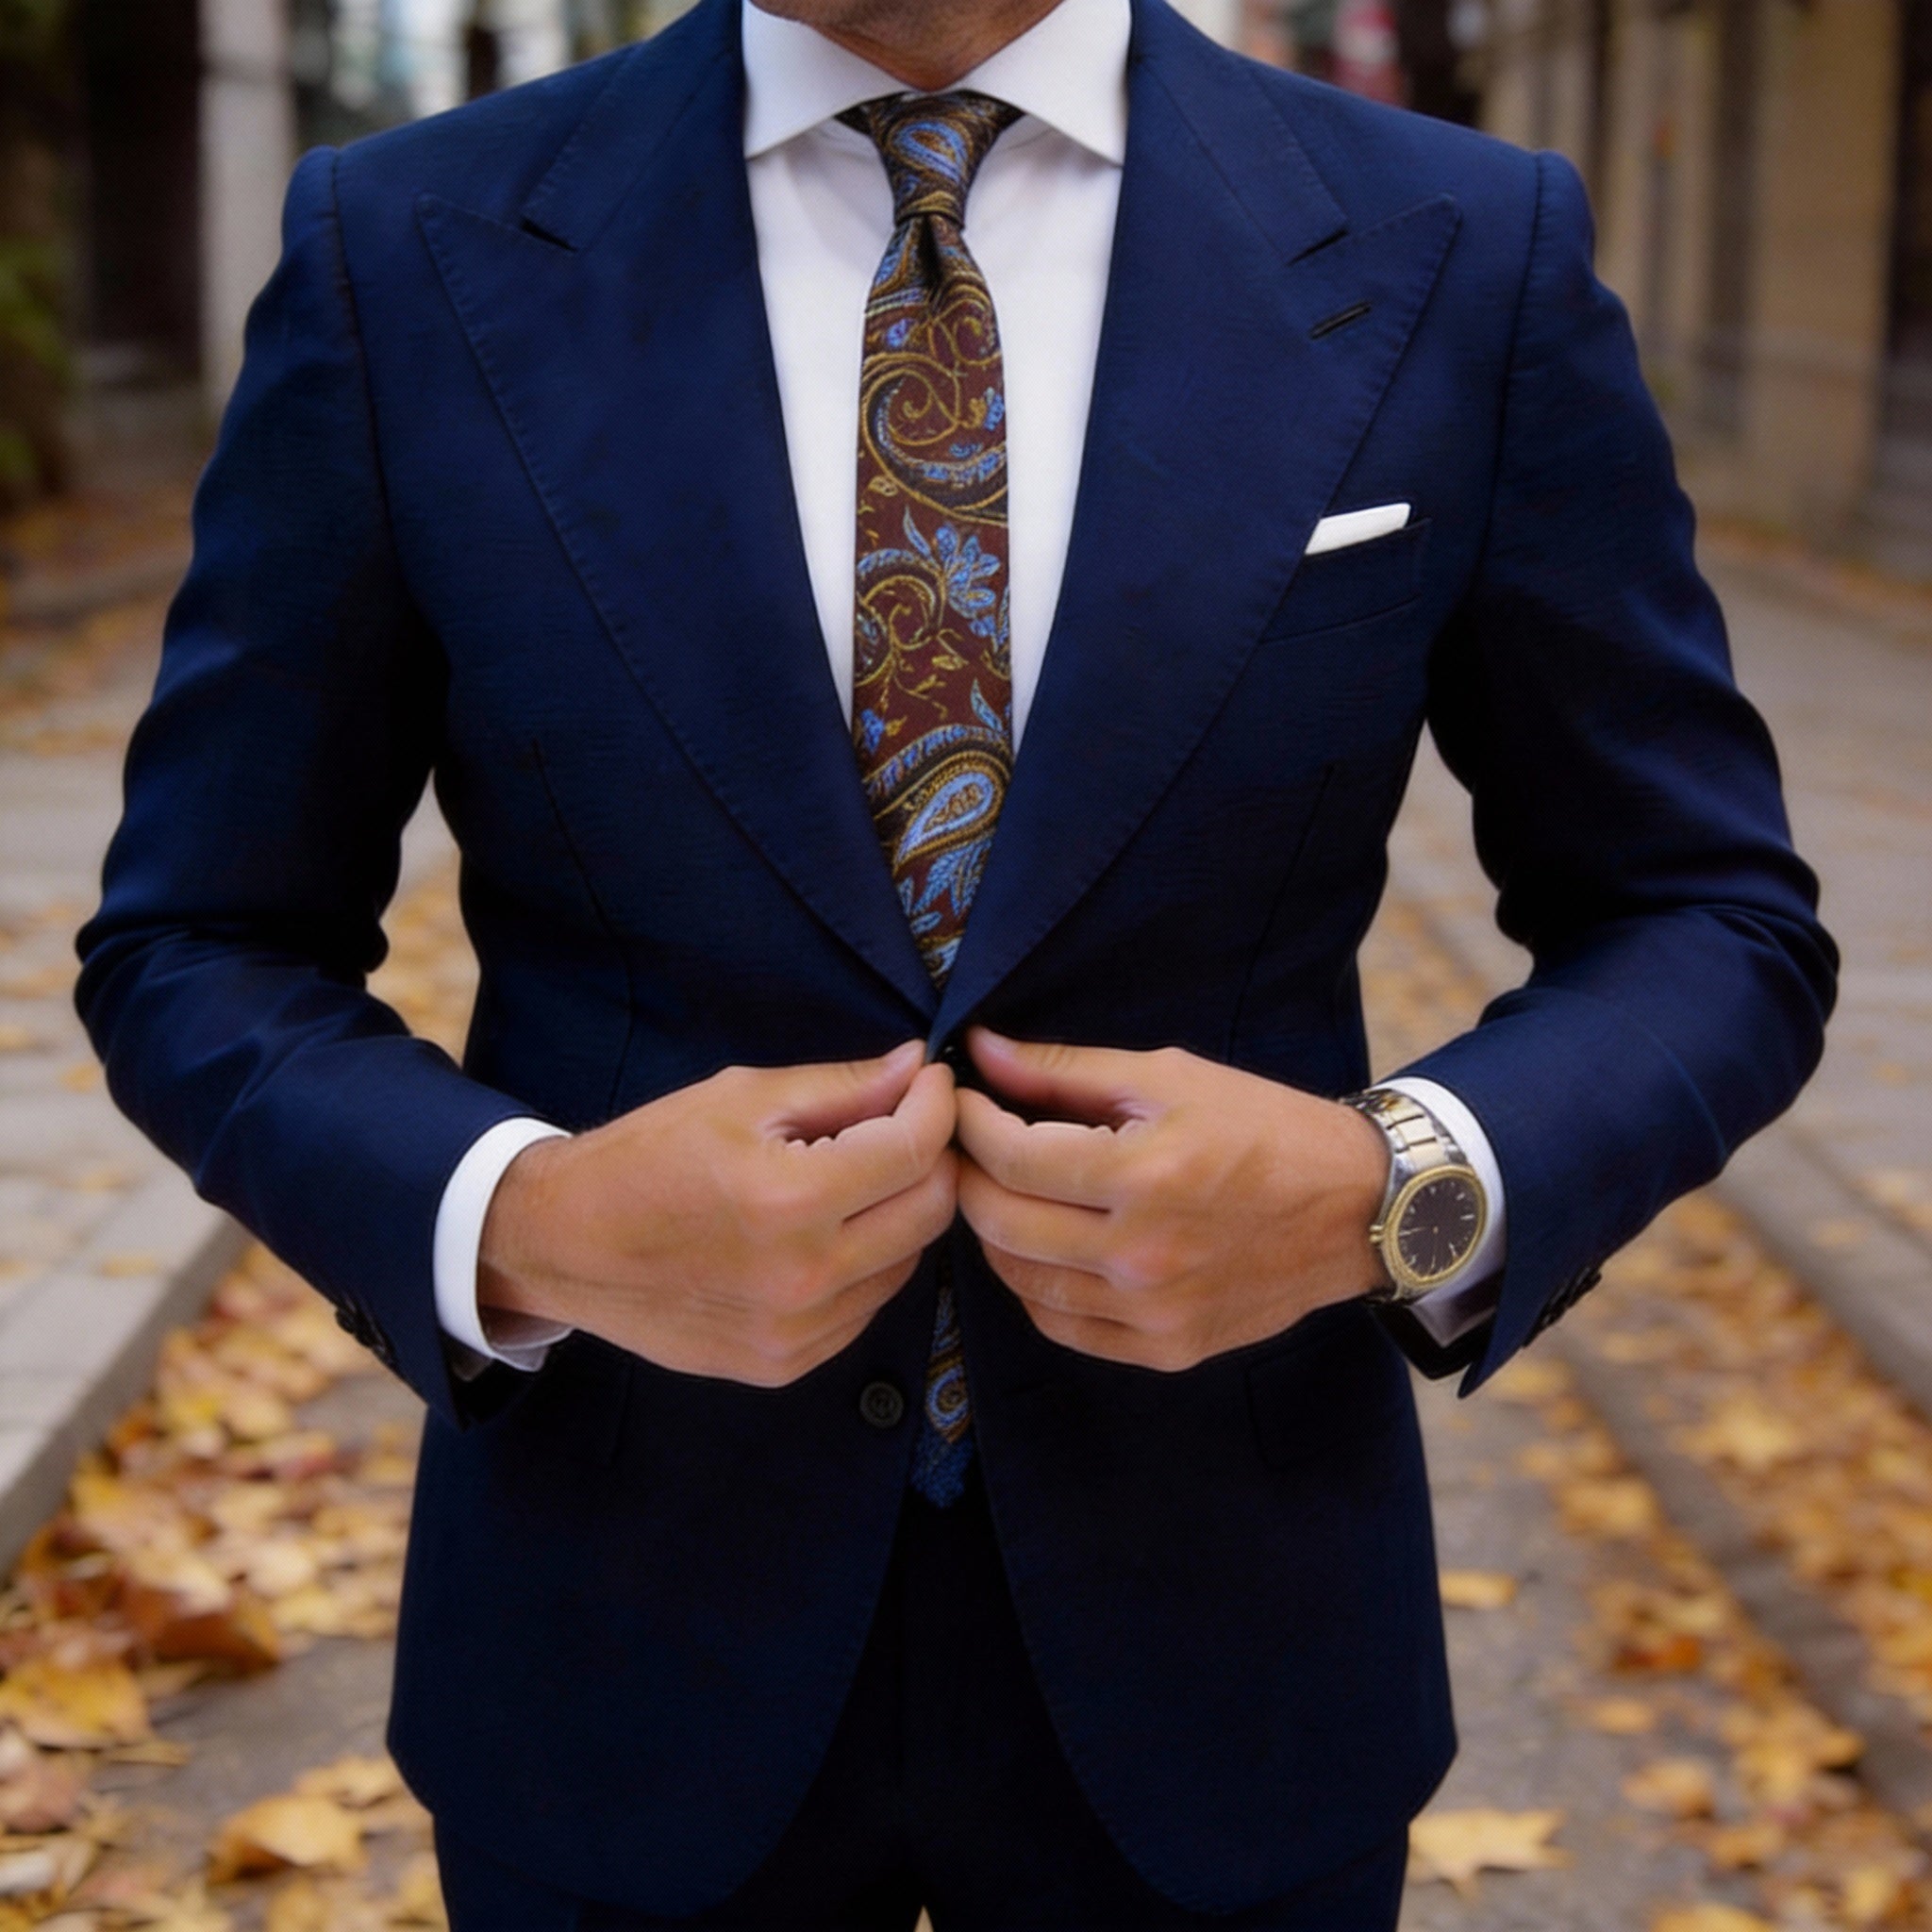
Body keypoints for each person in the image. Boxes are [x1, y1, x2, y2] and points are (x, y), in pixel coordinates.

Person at [75, 0, 1837, 1923]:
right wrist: (529, 1217)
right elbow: (200, 939)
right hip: (620, 1650)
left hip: (1228, 1655)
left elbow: (1705, 916)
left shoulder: (1454, 241)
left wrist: (1384, 1187)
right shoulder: (403, 243)